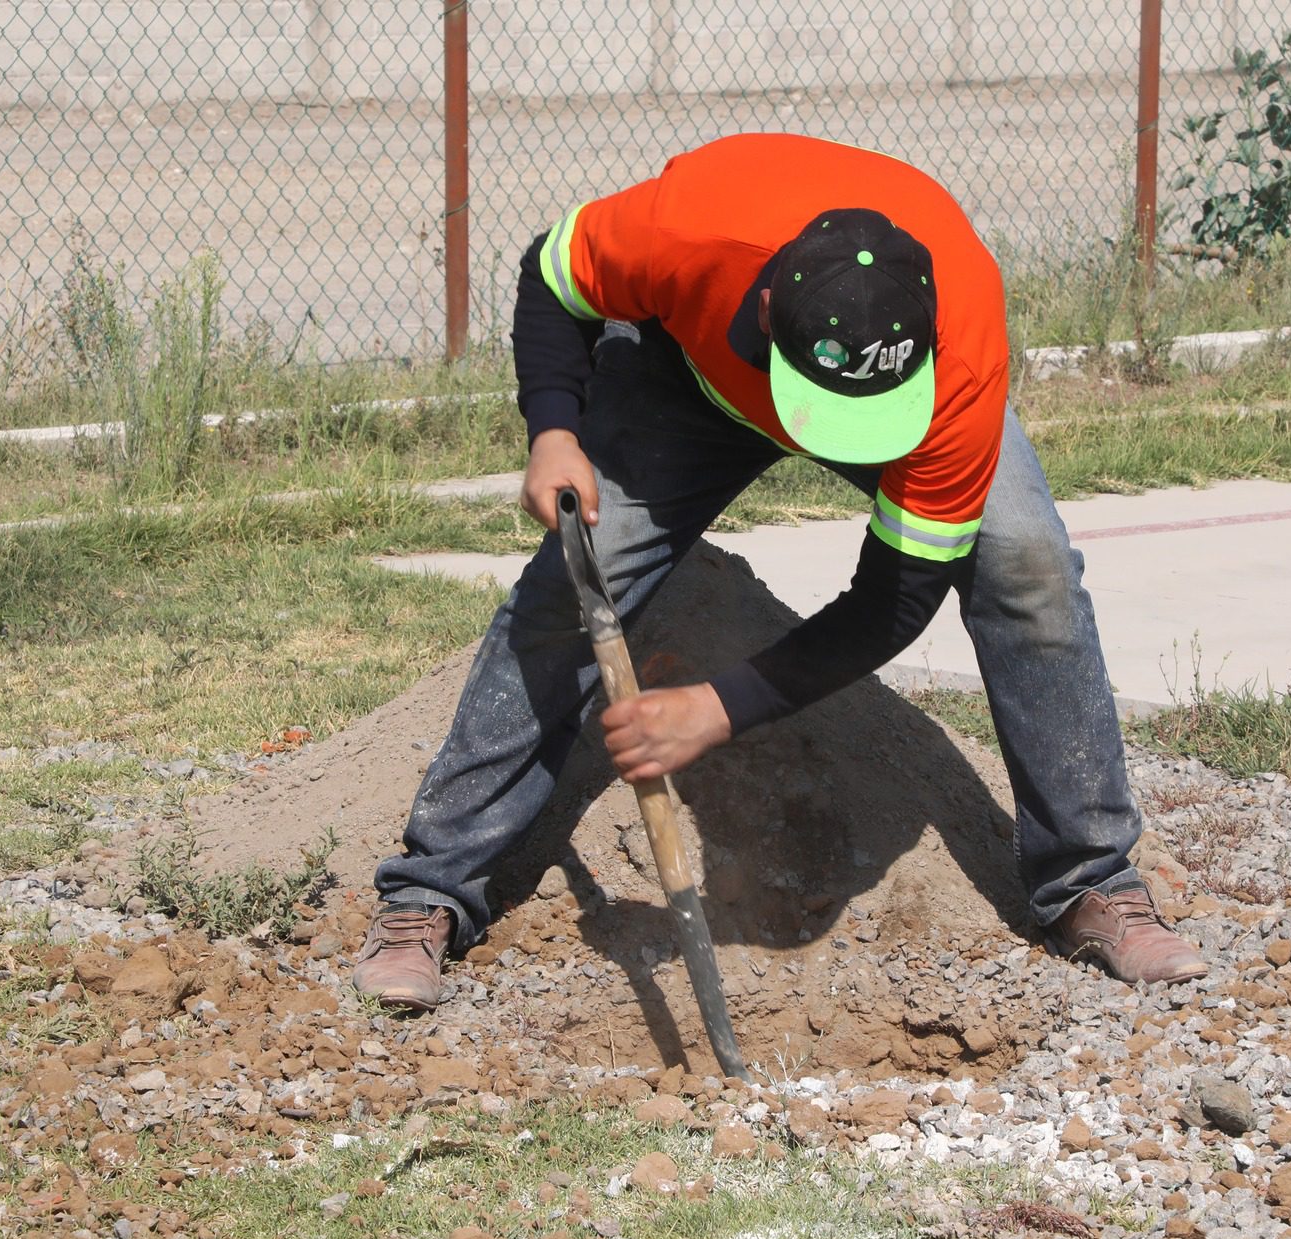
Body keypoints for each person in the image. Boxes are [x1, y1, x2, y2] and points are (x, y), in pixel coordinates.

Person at [352, 133, 1208, 1010]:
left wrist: (715, 708)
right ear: (765, 310)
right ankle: (430, 890)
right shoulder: (688, 230)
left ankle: (1090, 879)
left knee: (1028, 566)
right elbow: (551, 274)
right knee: (578, 583)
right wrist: (553, 430)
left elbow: (897, 595)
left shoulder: (957, 350)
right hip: (694, 378)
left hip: (903, 391)